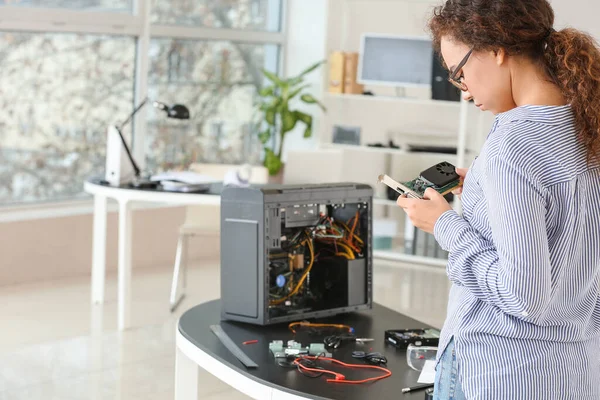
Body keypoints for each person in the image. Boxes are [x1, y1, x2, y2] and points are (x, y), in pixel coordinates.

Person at [396, 0, 600, 399]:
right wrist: (486, 190)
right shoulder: (585, 123)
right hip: (577, 372)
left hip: (499, 372)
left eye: (460, 72)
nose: (464, 91)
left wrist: (443, 224)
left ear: (495, 49)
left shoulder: (512, 144)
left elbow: (523, 296)